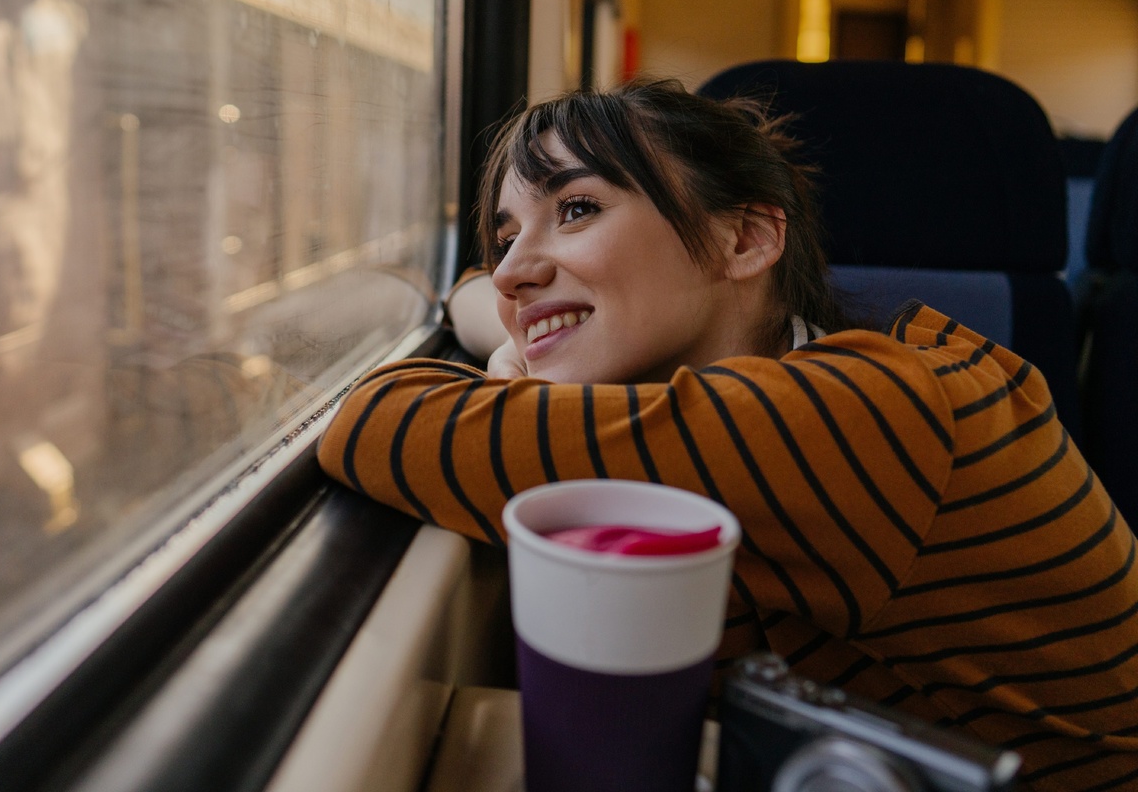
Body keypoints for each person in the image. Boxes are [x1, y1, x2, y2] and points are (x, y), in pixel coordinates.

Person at [317, 79, 1138, 791]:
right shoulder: (724, 414)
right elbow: (479, 292)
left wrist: (510, 363)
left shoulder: (872, 415)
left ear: (744, 239)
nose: (510, 271)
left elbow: (373, 420)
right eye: (506, 238)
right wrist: (508, 331)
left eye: (576, 209)